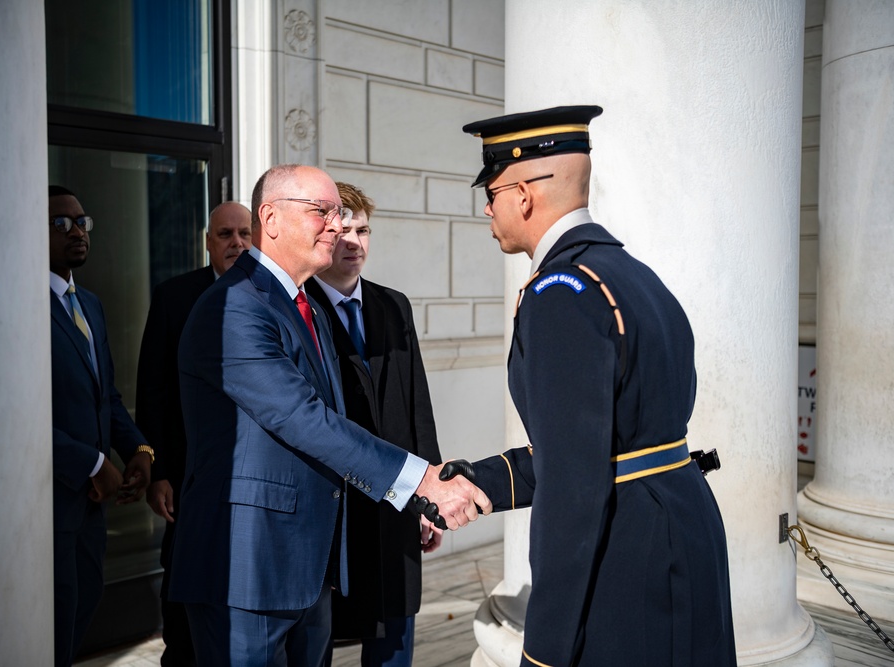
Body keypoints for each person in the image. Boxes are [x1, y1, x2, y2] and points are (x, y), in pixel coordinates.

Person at [444, 106, 736, 666]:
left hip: (629, 549)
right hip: (682, 521)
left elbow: (574, 488)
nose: (488, 207)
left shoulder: (560, 292)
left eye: (493, 191)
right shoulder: (634, 274)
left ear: (523, 195)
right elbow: (617, 439)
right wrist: (480, 481)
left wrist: (545, 647)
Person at [167, 164, 491, 665]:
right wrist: (421, 482)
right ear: (270, 218)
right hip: (245, 570)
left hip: (309, 567)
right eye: (324, 212)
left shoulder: (308, 307)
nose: (338, 226)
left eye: (340, 214)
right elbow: (304, 418)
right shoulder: (233, 306)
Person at [307, 183, 441, 666]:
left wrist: (432, 494)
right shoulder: (301, 310)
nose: (354, 243)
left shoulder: (393, 304)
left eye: (363, 230)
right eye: (342, 232)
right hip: (335, 507)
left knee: (394, 636)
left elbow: (417, 406)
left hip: (396, 503)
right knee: (319, 639)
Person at [136, 201, 252, 667]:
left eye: (245, 233)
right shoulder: (173, 297)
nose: (236, 243)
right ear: (207, 242)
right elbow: (153, 389)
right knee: (183, 611)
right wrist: (158, 470)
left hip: (249, 479)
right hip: (186, 479)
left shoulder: (279, 297)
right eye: (225, 234)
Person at [48, 185, 154, 666]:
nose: (76, 231)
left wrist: (137, 451)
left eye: (82, 221)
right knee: (53, 627)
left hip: (92, 509)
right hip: (48, 503)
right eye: (60, 223)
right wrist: (93, 463)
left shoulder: (88, 303)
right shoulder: (22, 306)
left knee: (82, 612)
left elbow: (105, 397)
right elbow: (19, 417)